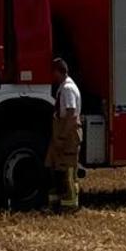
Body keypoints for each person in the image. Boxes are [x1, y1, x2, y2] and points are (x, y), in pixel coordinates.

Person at [47, 57, 81, 214]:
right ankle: (56, 204)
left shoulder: (67, 89)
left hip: (68, 134)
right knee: (55, 167)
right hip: (62, 131)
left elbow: (71, 114)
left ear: (58, 72)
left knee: (67, 171)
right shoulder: (63, 87)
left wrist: (62, 137)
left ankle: (70, 206)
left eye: (52, 72)